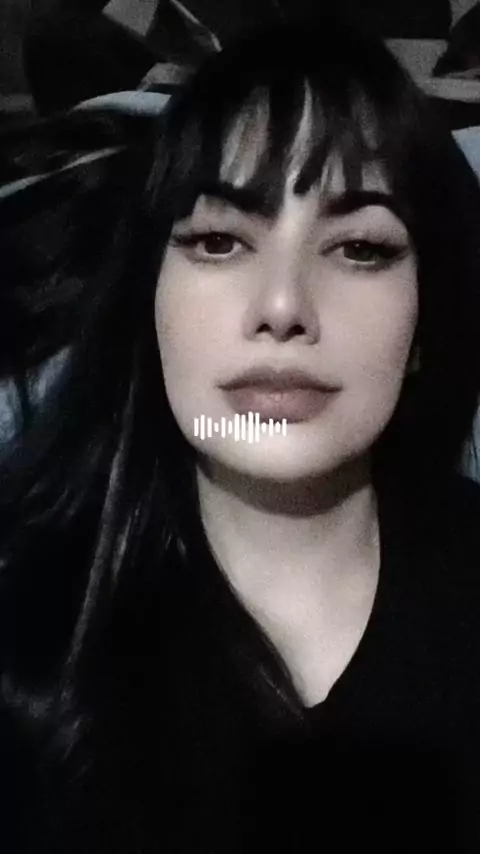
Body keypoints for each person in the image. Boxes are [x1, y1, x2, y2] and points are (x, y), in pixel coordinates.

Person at [1, 10, 480, 854]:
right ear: (148, 300)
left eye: (361, 249)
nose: (284, 307)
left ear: (426, 322)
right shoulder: (23, 655)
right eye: (219, 241)